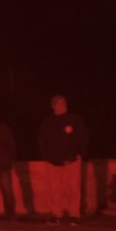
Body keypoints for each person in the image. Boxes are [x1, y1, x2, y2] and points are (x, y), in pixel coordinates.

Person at [37, 94, 89, 224]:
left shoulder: (74, 119)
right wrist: (46, 157)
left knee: (74, 188)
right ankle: (57, 215)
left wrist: (79, 154)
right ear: (53, 106)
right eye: (59, 103)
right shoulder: (47, 121)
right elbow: (42, 140)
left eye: (64, 103)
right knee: (54, 189)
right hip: (53, 161)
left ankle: (74, 215)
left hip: (72, 160)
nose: (62, 106)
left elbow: (82, 137)